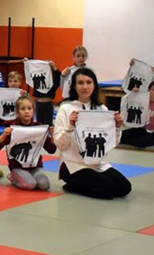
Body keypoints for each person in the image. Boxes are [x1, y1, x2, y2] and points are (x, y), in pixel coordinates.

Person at [52, 67, 131, 199]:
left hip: (97, 163)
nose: (85, 87)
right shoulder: (65, 108)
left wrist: (117, 128)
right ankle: (71, 184)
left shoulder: (102, 109)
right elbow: (60, 144)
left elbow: (112, 143)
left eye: (89, 82)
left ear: (94, 85)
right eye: (80, 83)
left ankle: (89, 181)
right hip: (73, 165)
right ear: (74, 86)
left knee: (124, 188)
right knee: (108, 189)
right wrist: (70, 126)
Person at [0, 95, 56, 190]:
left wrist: (53, 136)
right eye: (23, 109)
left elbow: (51, 150)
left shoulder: (39, 128)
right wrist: (3, 135)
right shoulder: (13, 128)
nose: (26, 111)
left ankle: (27, 176)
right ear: (17, 112)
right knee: (30, 185)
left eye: (29, 108)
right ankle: (12, 177)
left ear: (33, 111)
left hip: (35, 166)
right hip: (17, 167)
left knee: (44, 185)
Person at [121, 81, 154, 148]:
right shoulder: (143, 100)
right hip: (140, 129)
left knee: (142, 142)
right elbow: (128, 102)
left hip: (153, 133)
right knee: (120, 136)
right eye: (153, 90)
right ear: (149, 91)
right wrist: (133, 93)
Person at [20, 56, 59, 126]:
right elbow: (31, 73)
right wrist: (27, 63)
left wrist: (54, 67)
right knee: (39, 123)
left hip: (48, 104)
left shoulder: (52, 82)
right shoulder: (37, 79)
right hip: (38, 104)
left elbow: (59, 78)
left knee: (47, 124)